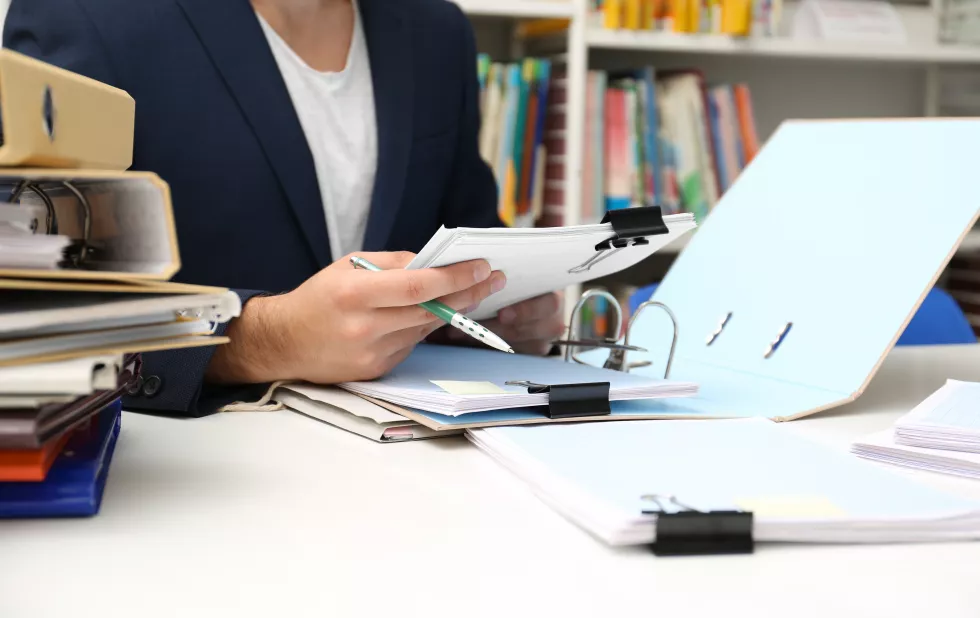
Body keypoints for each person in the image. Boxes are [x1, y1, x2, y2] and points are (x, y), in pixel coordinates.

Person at [3, 0, 565, 416]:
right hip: (191, 491)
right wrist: (258, 341)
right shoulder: (86, 13)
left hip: (415, 473)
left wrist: (503, 305)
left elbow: (465, 231)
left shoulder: (438, 30)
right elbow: (35, 310)